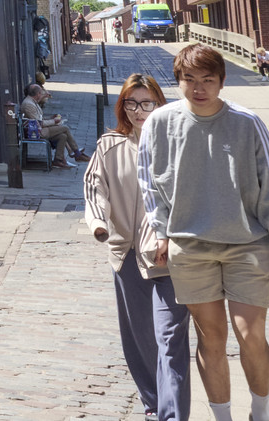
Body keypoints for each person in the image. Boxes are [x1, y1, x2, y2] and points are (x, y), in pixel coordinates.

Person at [139, 43, 269, 421]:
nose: (198, 88)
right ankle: (222, 416)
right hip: (190, 248)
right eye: (189, 79)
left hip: (247, 245)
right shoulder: (160, 123)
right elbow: (149, 185)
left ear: (221, 82)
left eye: (207, 80)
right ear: (178, 81)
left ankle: (260, 412)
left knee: (250, 334)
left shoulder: (247, 123)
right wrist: (161, 231)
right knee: (211, 338)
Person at [84, 73, 190, 421]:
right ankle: (153, 405)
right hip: (126, 254)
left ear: (160, 104)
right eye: (131, 103)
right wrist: (98, 222)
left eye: (146, 103)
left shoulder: (177, 144)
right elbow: (94, 186)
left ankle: (172, 415)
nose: (138, 111)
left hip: (169, 255)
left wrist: (172, 236)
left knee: (170, 340)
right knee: (140, 340)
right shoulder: (109, 146)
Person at [22, 83, 89, 169]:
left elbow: (39, 118)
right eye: (41, 93)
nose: (42, 94)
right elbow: (39, 123)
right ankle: (76, 153)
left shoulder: (32, 101)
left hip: (38, 128)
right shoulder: (28, 104)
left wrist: (50, 118)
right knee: (65, 128)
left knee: (63, 136)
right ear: (37, 94)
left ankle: (58, 160)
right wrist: (54, 121)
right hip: (36, 132)